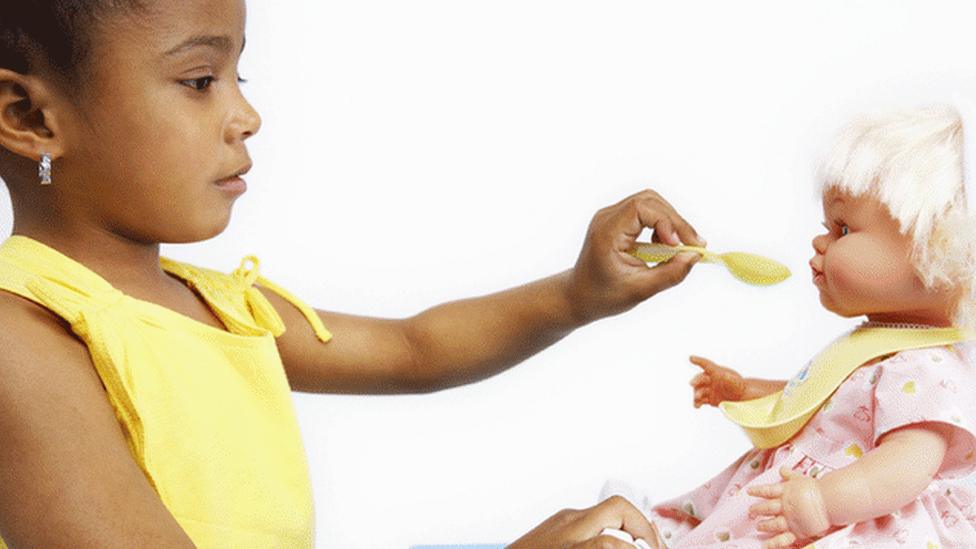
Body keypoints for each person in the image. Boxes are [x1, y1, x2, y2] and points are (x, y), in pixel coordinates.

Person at [0, 1, 701, 547]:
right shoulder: (21, 341)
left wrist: (580, 292)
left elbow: (413, 349)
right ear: (30, 117)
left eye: (238, 77)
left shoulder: (218, 305)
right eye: (199, 81)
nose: (246, 116)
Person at [621, 104, 976, 548]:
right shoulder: (879, 346)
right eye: (827, 225)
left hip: (849, 519)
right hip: (796, 502)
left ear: (939, 253)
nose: (820, 241)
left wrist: (824, 504)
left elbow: (906, 466)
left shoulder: (928, 369)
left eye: (844, 230)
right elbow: (814, 401)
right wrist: (745, 388)